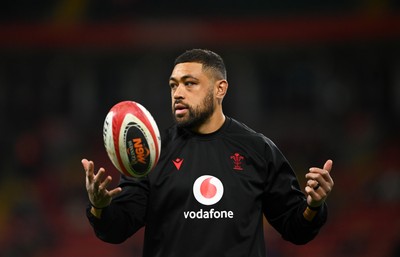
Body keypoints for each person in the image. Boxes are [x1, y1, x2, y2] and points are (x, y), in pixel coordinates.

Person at [82, 48, 334, 257]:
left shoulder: (259, 149)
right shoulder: (152, 154)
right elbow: (116, 230)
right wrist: (99, 208)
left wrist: (314, 205)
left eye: (189, 83)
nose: (178, 93)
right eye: (173, 86)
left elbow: (295, 228)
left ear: (220, 89)